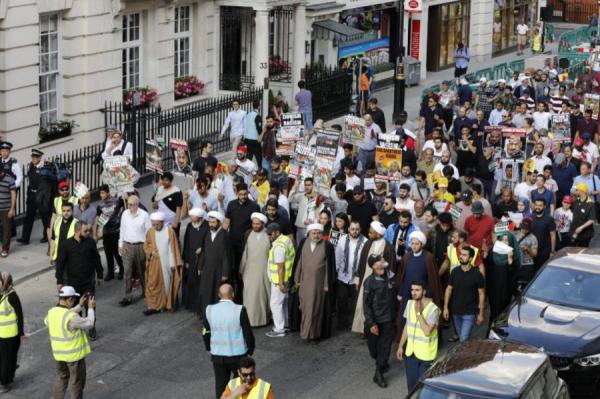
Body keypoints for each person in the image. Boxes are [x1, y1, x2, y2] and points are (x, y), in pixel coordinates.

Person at [203, 284, 255, 399]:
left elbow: (205, 331)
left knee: (221, 386)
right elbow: (247, 332)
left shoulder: (209, 310)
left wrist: (208, 347)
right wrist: (250, 349)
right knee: (240, 385)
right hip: (238, 355)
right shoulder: (239, 310)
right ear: (233, 294)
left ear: (219, 295)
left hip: (218, 355)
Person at [55, 221, 102, 339]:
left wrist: (100, 274)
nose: (88, 233)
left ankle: (91, 328)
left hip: (88, 283)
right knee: (76, 307)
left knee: (90, 305)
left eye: (88, 231)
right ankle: (80, 328)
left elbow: (96, 258)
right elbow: (60, 264)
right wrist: (59, 280)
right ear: (77, 231)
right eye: (85, 231)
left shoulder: (90, 242)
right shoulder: (66, 244)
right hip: (73, 284)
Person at [45, 286, 95, 399]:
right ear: (70, 300)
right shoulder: (71, 317)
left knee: (61, 377)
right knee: (76, 382)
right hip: (74, 357)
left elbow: (58, 317)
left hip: (59, 355)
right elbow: (89, 323)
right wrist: (90, 308)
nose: (73, 302)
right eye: (73, 300)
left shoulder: (51, 312)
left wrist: (80, 306)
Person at [291, 223, 336, 341]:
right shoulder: (303, 243)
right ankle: (305, 331)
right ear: (309, 234)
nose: (316, 235)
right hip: (304, 283)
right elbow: (299, 262)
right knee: (305, 308)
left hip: (319, 284)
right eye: (314, 233)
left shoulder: (327, 246)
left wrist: (327, 284)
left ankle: (313, 334)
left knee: (315, 309)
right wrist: (296, 279)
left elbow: (329, 267)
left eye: (319, 233)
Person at [353, 221, 396, 334]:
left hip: (380, 282)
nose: (369, 234)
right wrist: (358, 279)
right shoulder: (368, 244)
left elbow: (391, 267)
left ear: (378, 233)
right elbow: (361, 262)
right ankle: (363, 329)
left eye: (372, 232)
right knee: (363, 304)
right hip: (366, 278)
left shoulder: (388, 247)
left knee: (376, 305)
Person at [397, 281, 440, 392]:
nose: (414, 293)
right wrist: (401, 346)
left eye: (417, 290)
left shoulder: (433, 310)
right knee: (411, 386)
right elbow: (407, 326)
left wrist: (418, 313)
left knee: (424, 387)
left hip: (426, 355)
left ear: (424, 291)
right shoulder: (409, 304)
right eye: (412, 290)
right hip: (411, 353)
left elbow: (427, 331)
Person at [396, 231, 443, 330]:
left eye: (417, 244)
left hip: (422, 294)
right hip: (407, 292)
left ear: (421, 244)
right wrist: (400, 292)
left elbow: (432, 278)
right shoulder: (407, 257)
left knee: (421, 317)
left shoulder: (428, 257)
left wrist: (429, 294)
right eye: (412, 243)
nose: (414, 246)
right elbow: (402, 276)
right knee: (406, 317)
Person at [363, 254, 397, 388]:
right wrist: (371, 324)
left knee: (385, 346)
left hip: (389, 320)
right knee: (374, 350)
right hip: (375, 321)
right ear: (374, 265)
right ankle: (381, 361)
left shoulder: (391, 277)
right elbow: (366, 305)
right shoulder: (369, 282)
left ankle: (378, 373)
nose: (383, 261)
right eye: (379, 260)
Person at [443, 246, 485, 342]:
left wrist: (481, 313)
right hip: (455, 312)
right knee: (462, 339)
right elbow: (448, 289)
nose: (461, 256)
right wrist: (445, 307)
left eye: (464, 255)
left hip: (469, 313)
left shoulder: (477, 274)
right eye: (461, 254)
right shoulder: (454, 272)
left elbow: (481, 294)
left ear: (470, 258)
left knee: (463, 339)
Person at [143, 212, 182, 316]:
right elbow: (146, 245)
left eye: (157, 224)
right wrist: (151, 252)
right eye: (153, 224)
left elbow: (173, 248)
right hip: (154, 264)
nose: (155, 226)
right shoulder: (150, 232)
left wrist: (173, 263)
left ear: (162, 222)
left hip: (167, 264)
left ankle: (167, 304)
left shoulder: (170, 231)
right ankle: (153, 306)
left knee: (167, 284)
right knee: (152, 284)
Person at [198, 211, 235, 317]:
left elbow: (227, 256)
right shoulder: (207, 234)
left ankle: (217, 316)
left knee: (217, 293)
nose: (211, 225)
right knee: (206, 292)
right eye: (210, 222)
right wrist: (200, 267)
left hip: (219, 271)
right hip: (208, 270)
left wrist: (225, 273)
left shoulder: (224, 235)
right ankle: (206, 314)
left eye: (213, 222)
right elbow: (204, 251)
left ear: (219, 223)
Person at [118, 195, 151, 306]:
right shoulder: (125, 214)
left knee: (142, 271)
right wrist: (120, 245)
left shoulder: (144, 215)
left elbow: (149, 232)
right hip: (127, 245)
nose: (129, 206)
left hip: (140, 246)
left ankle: (146, 292)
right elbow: (122, 229)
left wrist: (148, 247)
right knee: (127, 271)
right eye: (128, 204)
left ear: (137, 204)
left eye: (131, 204)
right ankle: (127, 296)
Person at [239, 213, 271, 327]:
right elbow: (245, 253)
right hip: (249, 270)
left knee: (262, 295)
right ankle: (249, 320)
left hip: (264, 270)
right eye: (254, 223)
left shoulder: (269, 235)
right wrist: (242, 269)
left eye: (258, 224)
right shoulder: (248, 234)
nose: (255, 226)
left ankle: (263, 320)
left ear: (263, 224)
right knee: (249, 295)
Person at [334, 220, 366, 331]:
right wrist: (336, 272)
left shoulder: (365, 242)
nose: (355, 231)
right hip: (343, 276)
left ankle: (353, 324)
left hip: (356, 278)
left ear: (360, 229)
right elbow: (337, 257)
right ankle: (341, 323)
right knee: (341, 301)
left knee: (354, 302)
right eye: (352, 229)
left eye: (357, 229)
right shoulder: (342, 240)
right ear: (348, 229)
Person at [265, 223, 295, 338]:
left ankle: (279, 329)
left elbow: (280, 266)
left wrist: (281, 283)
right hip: (287, 277)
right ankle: (285, 324)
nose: (269, 236)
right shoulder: (285, 239)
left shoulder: (278, 247)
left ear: (277, 232)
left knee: (275, 304)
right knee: (283, 303)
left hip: (279, 280)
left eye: (270, 234)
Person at [19, 148, 51, 244]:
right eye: (33, 157)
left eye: (36, 157)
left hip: (41, 196)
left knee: (45, 216)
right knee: (29, 216)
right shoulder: (31, 166)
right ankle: (25, 238)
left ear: (40, 157)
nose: (33, 159)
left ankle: (47, 236)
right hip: (32, 195)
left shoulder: (45, 167)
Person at [94, 185, 124, 281]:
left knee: (117, 252)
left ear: (108, 192)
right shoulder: (100, 205)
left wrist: (121, 216)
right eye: (100, 193)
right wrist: (96, 232)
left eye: (103, 193)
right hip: (106, 232)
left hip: (116, 231)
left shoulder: (117, 201)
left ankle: (122, 270)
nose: (101, 195)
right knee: (108, 253)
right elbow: (97, 219)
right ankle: (110, 272)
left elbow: (126, 207)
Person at [182, 208, 208, 312]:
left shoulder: (206, 226)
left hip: (203, 259)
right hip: (191, 259)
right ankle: (191, 304)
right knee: (191, 281)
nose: (191, 218)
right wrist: (186, 260)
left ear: (200, 217)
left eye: (193, 216)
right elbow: (186, 243)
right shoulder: (189, 226)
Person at [0, 272, 22, 393]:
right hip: (10, 334)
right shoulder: (11, 295)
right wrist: (21, 332)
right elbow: (19, 314)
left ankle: (8, 375)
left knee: (4, 358)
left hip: (2, 334)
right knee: (8, 359)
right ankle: (4, 382)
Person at [489, 231, 519, 322]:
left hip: (506, 289)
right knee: (494, 311)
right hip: (494, 288)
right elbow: (488, 267)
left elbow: (514, 274)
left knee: (503, 312)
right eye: (502, 240)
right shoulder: (494, 252)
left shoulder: (514, 256)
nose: (505, 243)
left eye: (507, 240)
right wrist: (486, 254)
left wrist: (510, 260)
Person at [530, 198, 556, 270]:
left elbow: (553, 235)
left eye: (540, 205)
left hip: (544, 251)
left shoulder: (549, 219)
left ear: (544, 206)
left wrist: (552, 251)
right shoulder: (530, 217)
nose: (537, 207)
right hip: (532, 250)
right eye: (536, 205)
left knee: (541, 271)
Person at [0, 167, 16, 258]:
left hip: (6, 208)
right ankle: (3, 243)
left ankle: (5, 248)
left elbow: (13, 194)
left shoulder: (9, 179)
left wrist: (12, 209)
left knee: (6, 229)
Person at [243, 99, 263, 166]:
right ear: (259, 106)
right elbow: (259, 128)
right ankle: (260, 172)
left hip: (247, 140)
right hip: (255, 140)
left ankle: (247, 173)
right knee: (259, 158)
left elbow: (245, 126)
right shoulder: (257, 116)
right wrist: (262, 137)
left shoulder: (248, 114)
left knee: (248, 158)